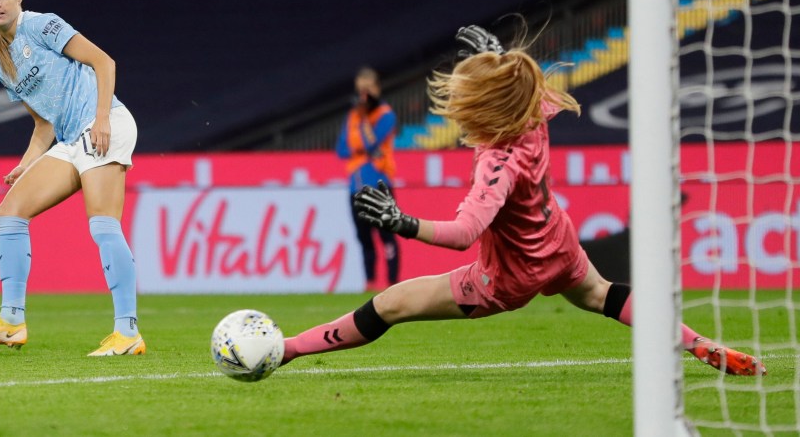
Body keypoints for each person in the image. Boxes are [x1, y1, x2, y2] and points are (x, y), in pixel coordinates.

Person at [280, 24, 766, 377]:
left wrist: (401, 221)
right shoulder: (534, 118)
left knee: (391, 303)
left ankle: (287, 350)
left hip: (507, 276)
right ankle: (700, 344)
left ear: (484, 108)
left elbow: (463, 233)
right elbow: (528, 90)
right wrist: (500, 58)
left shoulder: (497, 163)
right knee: (602, 294)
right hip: (559, 246)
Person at [0, 0, 145, 357]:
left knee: (102, 223)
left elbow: (104, 62)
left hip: (102, 124)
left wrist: (103, 118)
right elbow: (44, 122)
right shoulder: (1, 63)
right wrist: (28, 164)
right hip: (68, 138)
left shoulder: (41, 25)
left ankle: (128, 333)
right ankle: (10, 322)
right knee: (10, 211)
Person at [335, 66, 399, 291]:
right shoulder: (352, 116)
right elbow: (341, 150)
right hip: (355, 185)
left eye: (367, 89)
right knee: (364, 239)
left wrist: (362, 133)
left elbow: (373, 143)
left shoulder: (386, 115)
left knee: (387, 237)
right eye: (360, 90)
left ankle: (393, 285)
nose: (363, 95)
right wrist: (362, 147)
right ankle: (370, 283)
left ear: (376, 89)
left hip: (380, 184)